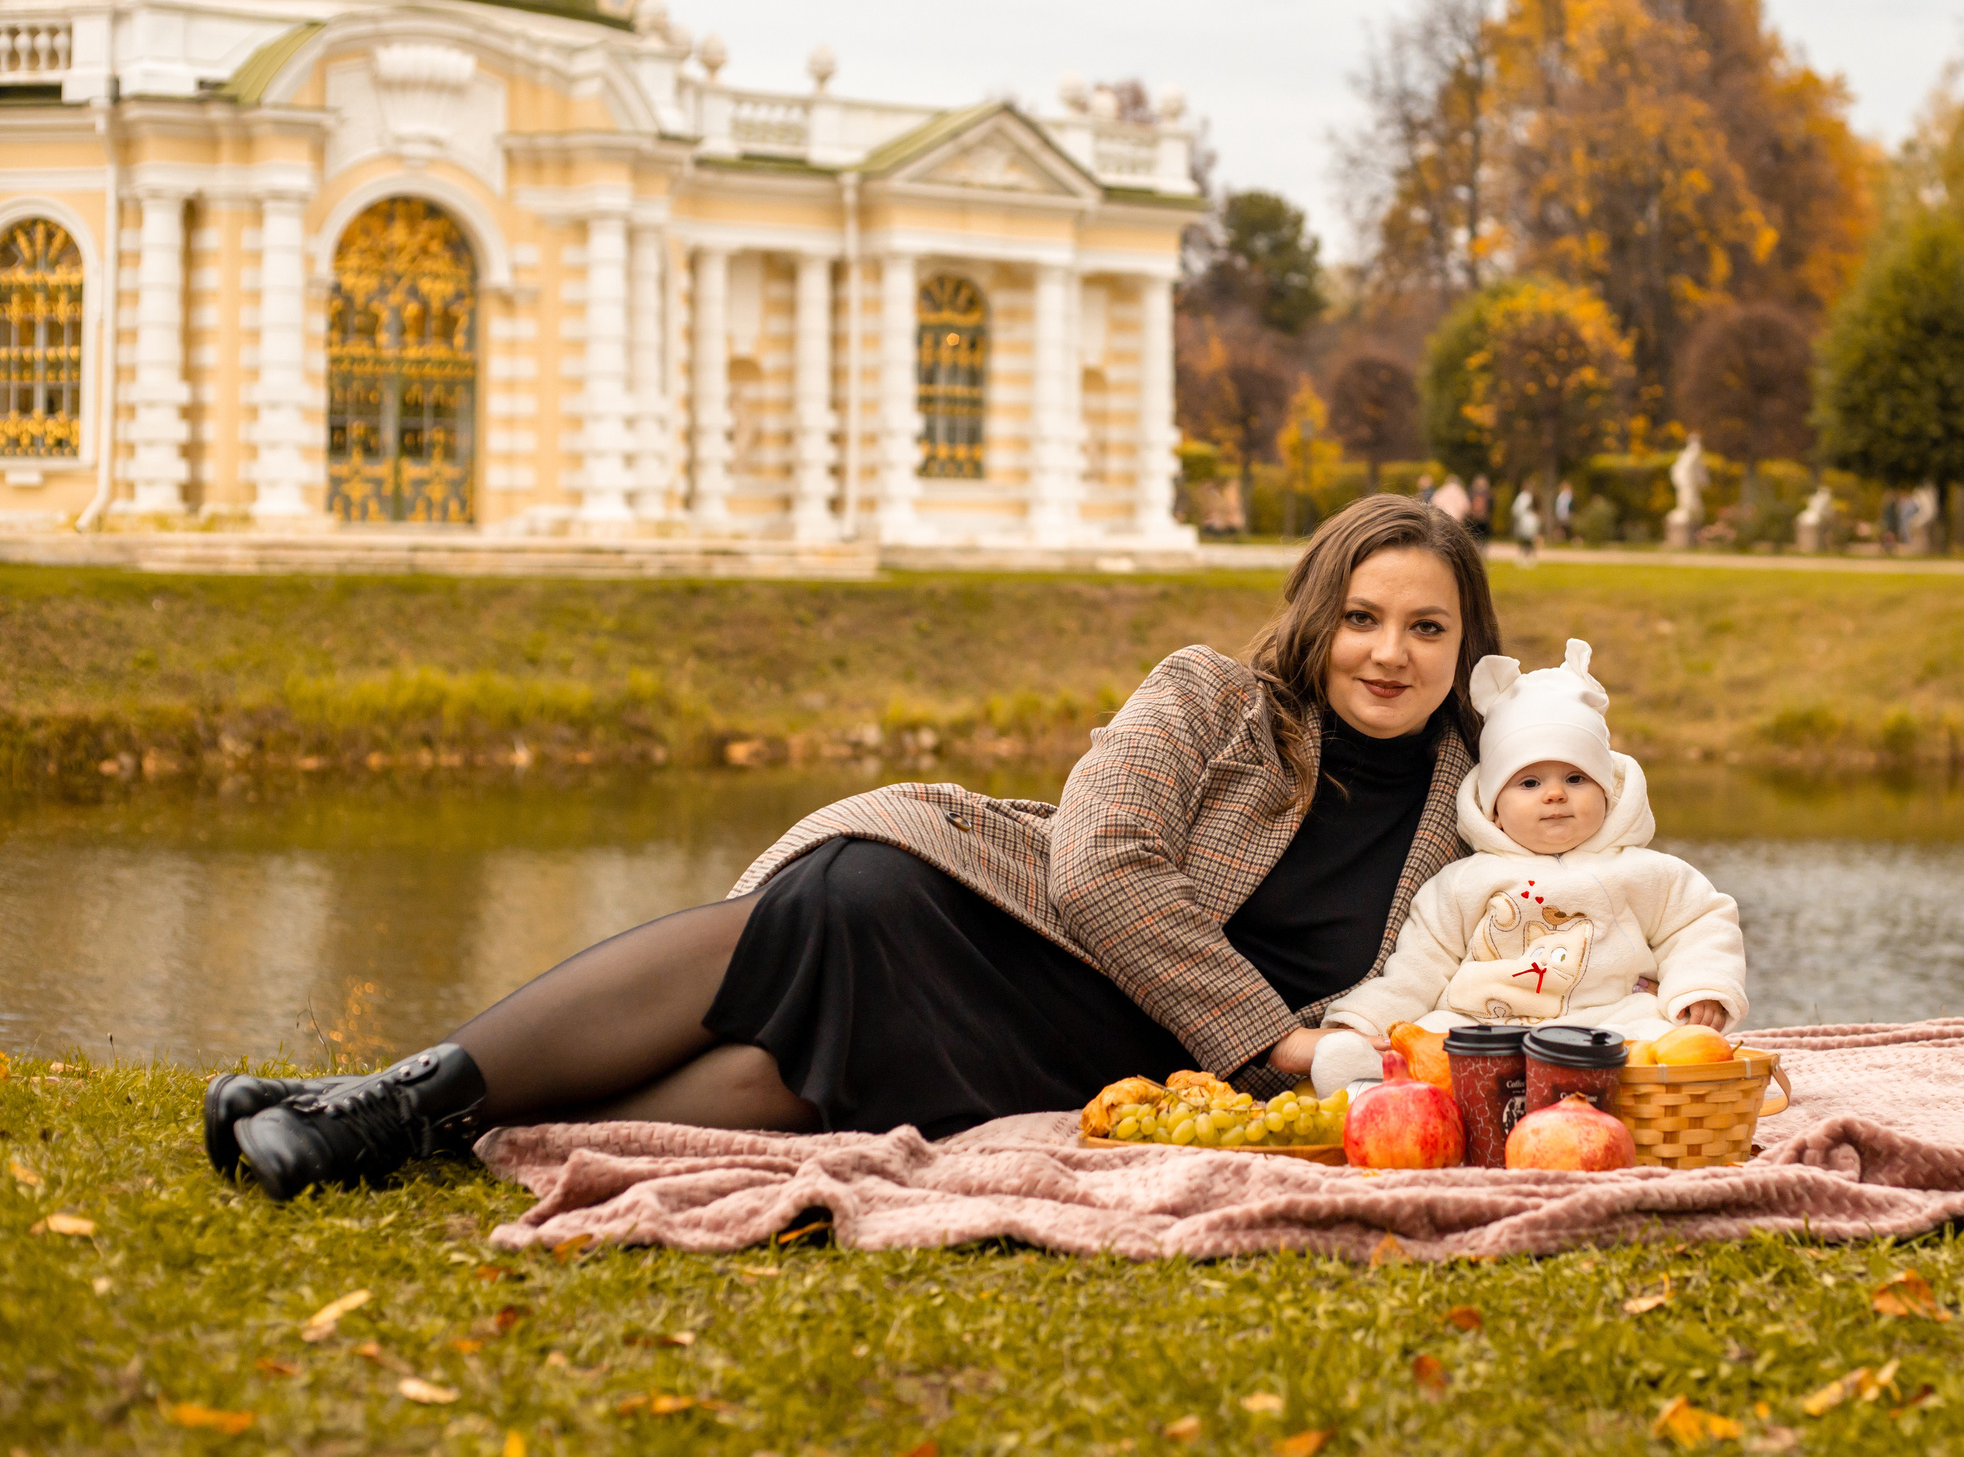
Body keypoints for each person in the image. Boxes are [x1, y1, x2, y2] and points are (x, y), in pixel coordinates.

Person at [208, 497, 1505, 1200]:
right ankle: (385, 1106)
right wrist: (1276, 1041)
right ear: (1316, 616)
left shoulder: (1471, 806)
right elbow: (1100, 868)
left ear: (1466, 646)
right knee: (848, 900)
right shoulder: (1213, 698)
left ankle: (394, 1124)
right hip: (1009, 928)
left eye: (1425, 627)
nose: (1387, 652)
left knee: (790, 1081)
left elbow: (1529, 947)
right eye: (1361, 615)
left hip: (1109, 1059)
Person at [1307, 639, 1746, 1095]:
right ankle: (1366, 1085)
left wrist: (1703, 987)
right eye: (1530, 782)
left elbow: (1700, 925)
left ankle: (1699, 1087)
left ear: (1608, 792)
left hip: (1608, 1025)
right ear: (1494, 807)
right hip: (1479, 1029)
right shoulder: (1462, 881)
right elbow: (1420, 966)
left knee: (1669, 1044)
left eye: (1576, 778)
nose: (1555, 795)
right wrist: (1365, 1020)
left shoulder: (1648, 872)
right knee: (1405, 1047)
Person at [1510, 485, 1542, 561]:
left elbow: (1516, 510)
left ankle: (1526, 553)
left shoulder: (1524, 497)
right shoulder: (1526, 497)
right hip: (1526, 520)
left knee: (1527, 538)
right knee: (1527, 538)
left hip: (1526, 520)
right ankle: (1527, 554)